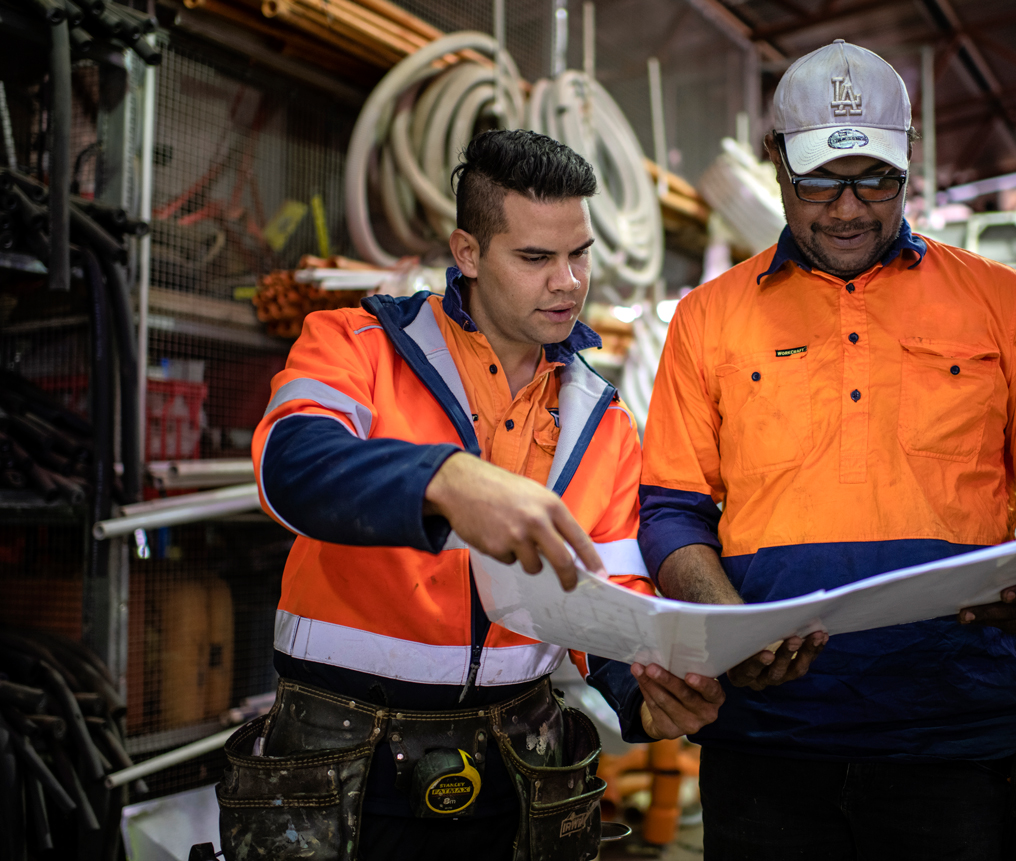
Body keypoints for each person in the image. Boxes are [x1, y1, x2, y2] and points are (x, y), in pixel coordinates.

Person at [632, 40, 1016, 859]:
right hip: (769, 744)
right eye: (819, 181)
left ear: (909, 163)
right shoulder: (707, 320)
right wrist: (728, 621)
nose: (848, 209)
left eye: (875, 179)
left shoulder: (1001, 303)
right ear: (776, 163)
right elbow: (673, 510)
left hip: (961, 740)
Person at [227, 130, 722, 861]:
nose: (568, 281)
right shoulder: (356, 345)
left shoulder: (601, 416)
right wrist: (442, 478)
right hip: (337, 759)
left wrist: (645, 697)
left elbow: (607, 588)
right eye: (534, 258)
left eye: (578, 253)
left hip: (523, 766)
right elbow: (290, 467)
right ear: (467, 253)